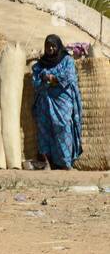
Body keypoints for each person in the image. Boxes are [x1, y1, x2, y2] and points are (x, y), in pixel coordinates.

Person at [31, 34, 83, 169]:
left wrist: (52, 78)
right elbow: (35, 82)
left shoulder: (67, 61)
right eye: (48, 46)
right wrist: (44, 79)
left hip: (62, 100)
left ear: (58, 46)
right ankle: (47, 163)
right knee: (44, 130)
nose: (51, 49)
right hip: (45, 101)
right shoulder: (40, 64)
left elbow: (69, 77)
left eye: (53, 46)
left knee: (63, 126)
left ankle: (66, 163)